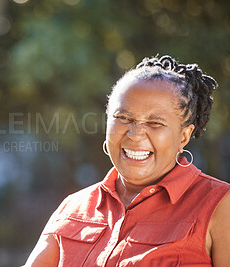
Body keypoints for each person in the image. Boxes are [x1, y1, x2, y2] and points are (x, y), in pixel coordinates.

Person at [24, 55, 230, 266]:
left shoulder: (220, 205)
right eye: (123, 118)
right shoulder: (73, 207)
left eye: (155, 122)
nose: (135, 134)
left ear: (183, 136)